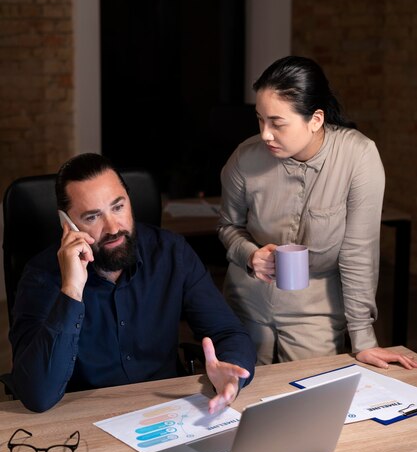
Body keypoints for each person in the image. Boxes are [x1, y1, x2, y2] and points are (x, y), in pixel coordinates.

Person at [9, 153, 256, 413]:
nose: (113, 227)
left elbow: (228, 333)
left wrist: (232, 373)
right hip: (84, 420)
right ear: (66, 224)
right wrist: (71, 290)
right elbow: (37, 395)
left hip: (167, 411)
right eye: (92, 217)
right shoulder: (41, 276)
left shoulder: (171, 252)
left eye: (118, 207)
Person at [218, 55, 417, 371]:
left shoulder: (357, 156)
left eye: (277, 123)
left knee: (311, 402)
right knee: (239, 402)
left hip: (316, 311)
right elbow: (228, 226)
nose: (266, 133)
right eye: (260, 119)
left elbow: (358, 253)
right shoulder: (245, 157)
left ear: (316, 119)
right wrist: (249, 254)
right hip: (246, 305)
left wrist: (363, 339)